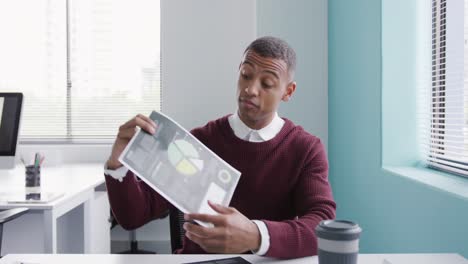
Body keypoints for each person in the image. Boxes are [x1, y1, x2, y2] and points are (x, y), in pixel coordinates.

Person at [104, 36, 336, 259]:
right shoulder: (199, 141)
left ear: (288, 91)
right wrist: (118, 164)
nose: (251, 89)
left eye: (266, 83)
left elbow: (322, 224)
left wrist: (255, 236)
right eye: (246, 75)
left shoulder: (305, 149)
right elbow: (132, 216)